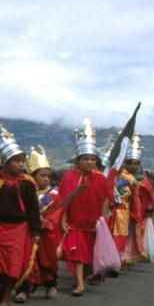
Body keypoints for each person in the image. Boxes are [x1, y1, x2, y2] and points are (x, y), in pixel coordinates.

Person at [0, 124, 41, 306]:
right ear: (6, 162)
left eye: (22, 161)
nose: (21, 165)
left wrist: (35, 230)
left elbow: (33, 209)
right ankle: (3, 286)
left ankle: (6, 293)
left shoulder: (27, 184)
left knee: (13, 263)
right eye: (16, 161)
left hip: (19, 229)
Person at [58, 119, 111, 296]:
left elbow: (105, 199)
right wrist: (64, 220)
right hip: (76, 222)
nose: (89, 162)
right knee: (79, 254)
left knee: (91, 253)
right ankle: (79, 283)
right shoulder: (68, 177)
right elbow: (64, 200)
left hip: (94, 222)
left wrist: (102, 219)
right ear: (78, 160)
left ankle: (85, 277)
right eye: (85, 159)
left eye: (92, 159)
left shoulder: (101, 179)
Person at [26, 147, 62, 298]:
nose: (46, 179)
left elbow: (57, 214)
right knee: (28, 260)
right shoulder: (27, 192)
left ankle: (51, 285)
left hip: (47, 234)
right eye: (42, 175)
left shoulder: (54, 195)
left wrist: (46, 221)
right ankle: (25, 289)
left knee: (48, 260)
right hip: (29, 231)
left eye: (48, 176)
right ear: (33, 176)